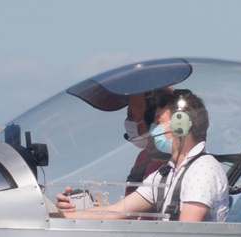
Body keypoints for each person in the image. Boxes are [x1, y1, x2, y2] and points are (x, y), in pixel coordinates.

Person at [56, 91, 229, 222]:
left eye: (158, 122)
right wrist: (63, 214)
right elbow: (116, 211)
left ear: (180, 126)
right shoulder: (166, 173)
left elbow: (185, 232)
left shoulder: (203, 169)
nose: (153, 128)